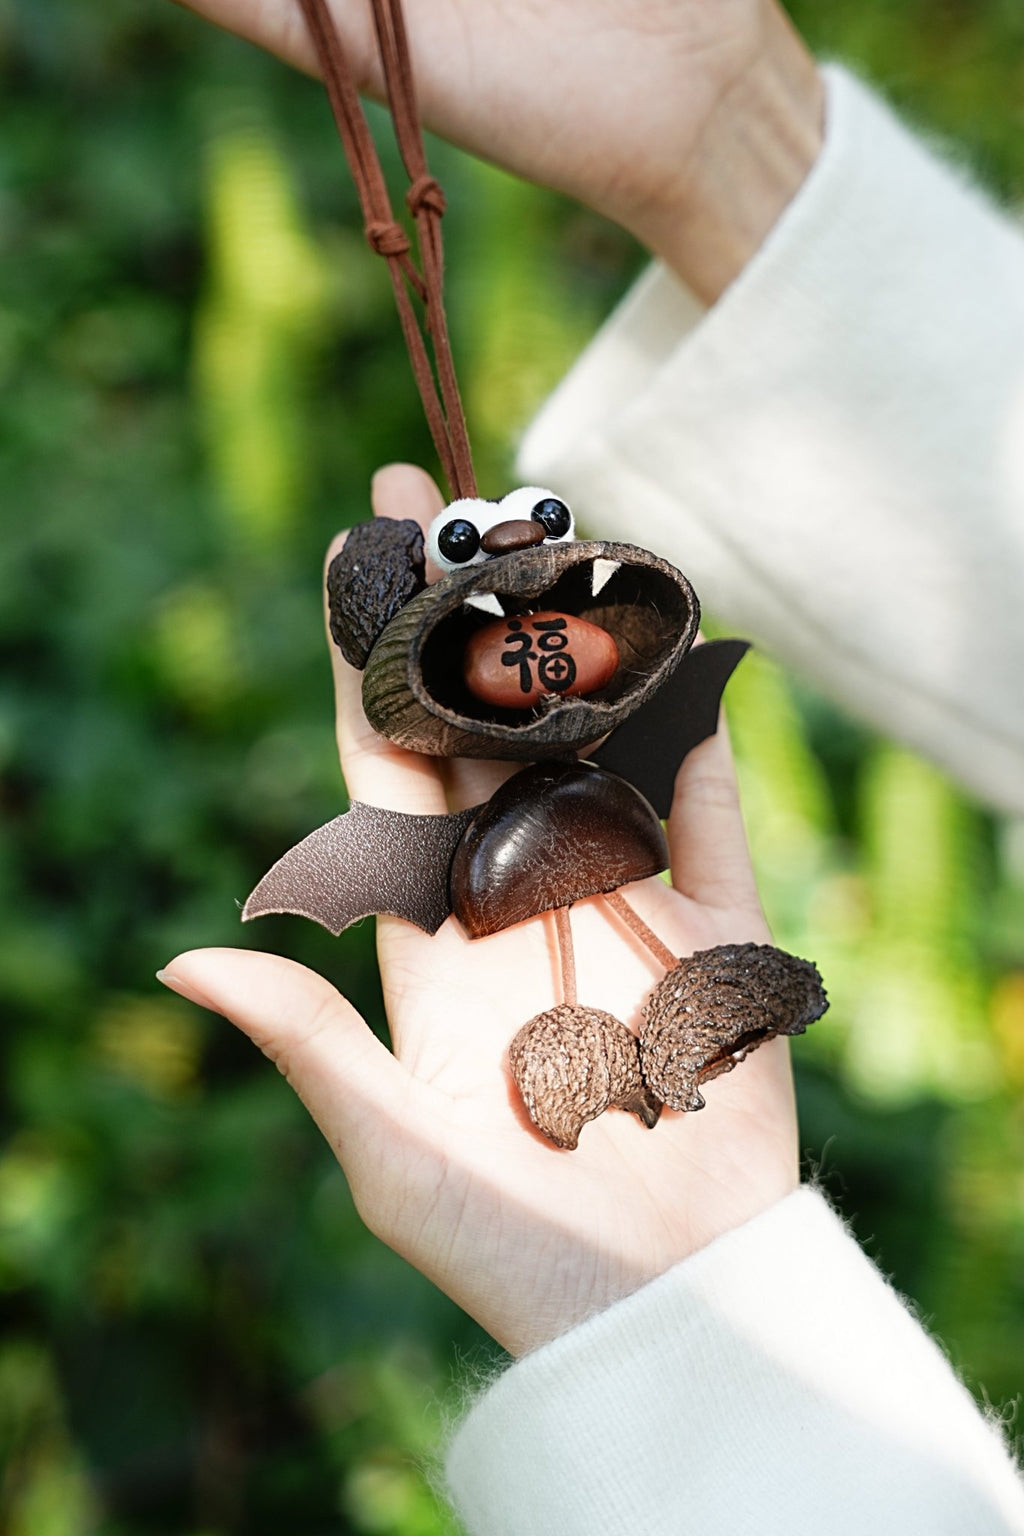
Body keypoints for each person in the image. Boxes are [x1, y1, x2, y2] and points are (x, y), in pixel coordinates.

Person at [159, 0, 1024, 1529]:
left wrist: (697, 1309)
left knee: (617, 902)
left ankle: (675, 1031)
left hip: (604, 847)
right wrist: (740, 153)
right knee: (566, 940)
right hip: (522, 876)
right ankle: (607, 1055)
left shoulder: (613, 694)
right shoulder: (465, 685)